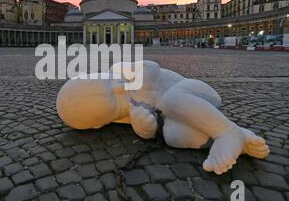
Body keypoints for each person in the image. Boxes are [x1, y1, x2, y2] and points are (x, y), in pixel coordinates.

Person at [56, 60, 269, 175]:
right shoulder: (120, 116)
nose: (120, 89)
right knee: (171, 135)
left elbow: (151, 68)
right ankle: (239, 138)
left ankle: (226, 133)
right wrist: (144, 129)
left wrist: (142, 102)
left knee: (170, 99)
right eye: (113, 102)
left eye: (108, 82)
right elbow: (151, 130)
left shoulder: (121, 70)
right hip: (183, 118)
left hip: (195, 93)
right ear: (100, 123)